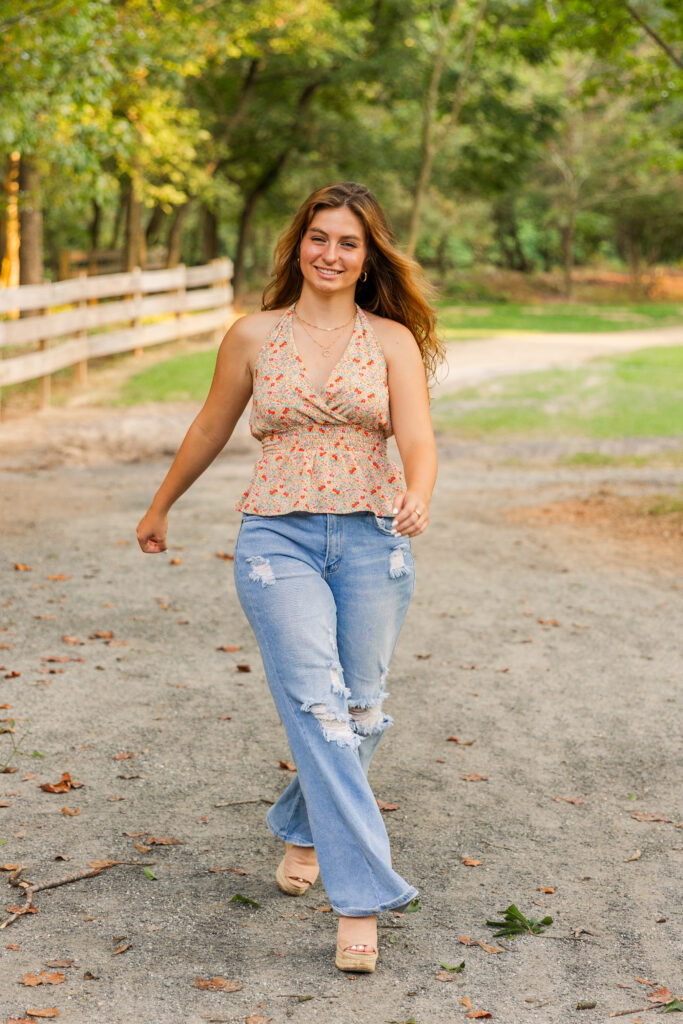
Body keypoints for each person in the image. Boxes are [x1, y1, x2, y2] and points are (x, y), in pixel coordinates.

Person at [136, 181, 445, 973]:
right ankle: (360, 902)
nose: (330, 254)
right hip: (278, 540)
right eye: (318, 238)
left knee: (362, 709)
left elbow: (416, 435)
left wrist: (417, 491)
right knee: (319, 706)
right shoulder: (251, 335)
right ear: (297, 246)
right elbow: (210, 423)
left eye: (348, 242)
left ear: (368, 255)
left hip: (374, 538)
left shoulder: (391, 341)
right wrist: (162, 503)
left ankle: (306, 826)